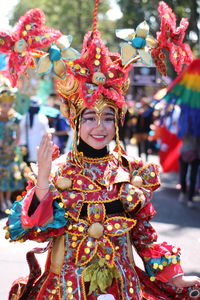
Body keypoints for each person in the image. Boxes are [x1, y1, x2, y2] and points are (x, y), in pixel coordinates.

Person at [4, 3, 200, 300]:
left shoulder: (132, 172)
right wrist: (43, 182)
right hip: (65, 291)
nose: (100, 126)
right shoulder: (57, 171)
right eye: (90, 117)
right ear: (75, 119)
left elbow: (145, 236)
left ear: (118, 120)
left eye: (108, 117)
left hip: (123, 289)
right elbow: (29, 230)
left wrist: (174, 276)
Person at [0, 83, 26, 212]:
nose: (7, 108)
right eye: (4, 105)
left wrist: (11, 147)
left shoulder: (15, 118)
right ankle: (2, 201)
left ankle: (8, 199)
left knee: (10, 175)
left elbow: (18, 134)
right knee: (1, 176)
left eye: (9, 105)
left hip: (10, 152)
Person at [19, 96, 49, 164]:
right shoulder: (43, 118)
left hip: (27, 146)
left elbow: (21, 132)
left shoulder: (24, 117)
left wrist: (22, 144)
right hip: (38, 146)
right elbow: (46, 133)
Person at [178, 133, 200, 208]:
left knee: (193, 178)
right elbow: (179, 135)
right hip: (184, 153)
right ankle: (183, 191)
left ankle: (190, 199)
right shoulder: (184, 126)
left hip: (196, 154)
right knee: (182, 176)